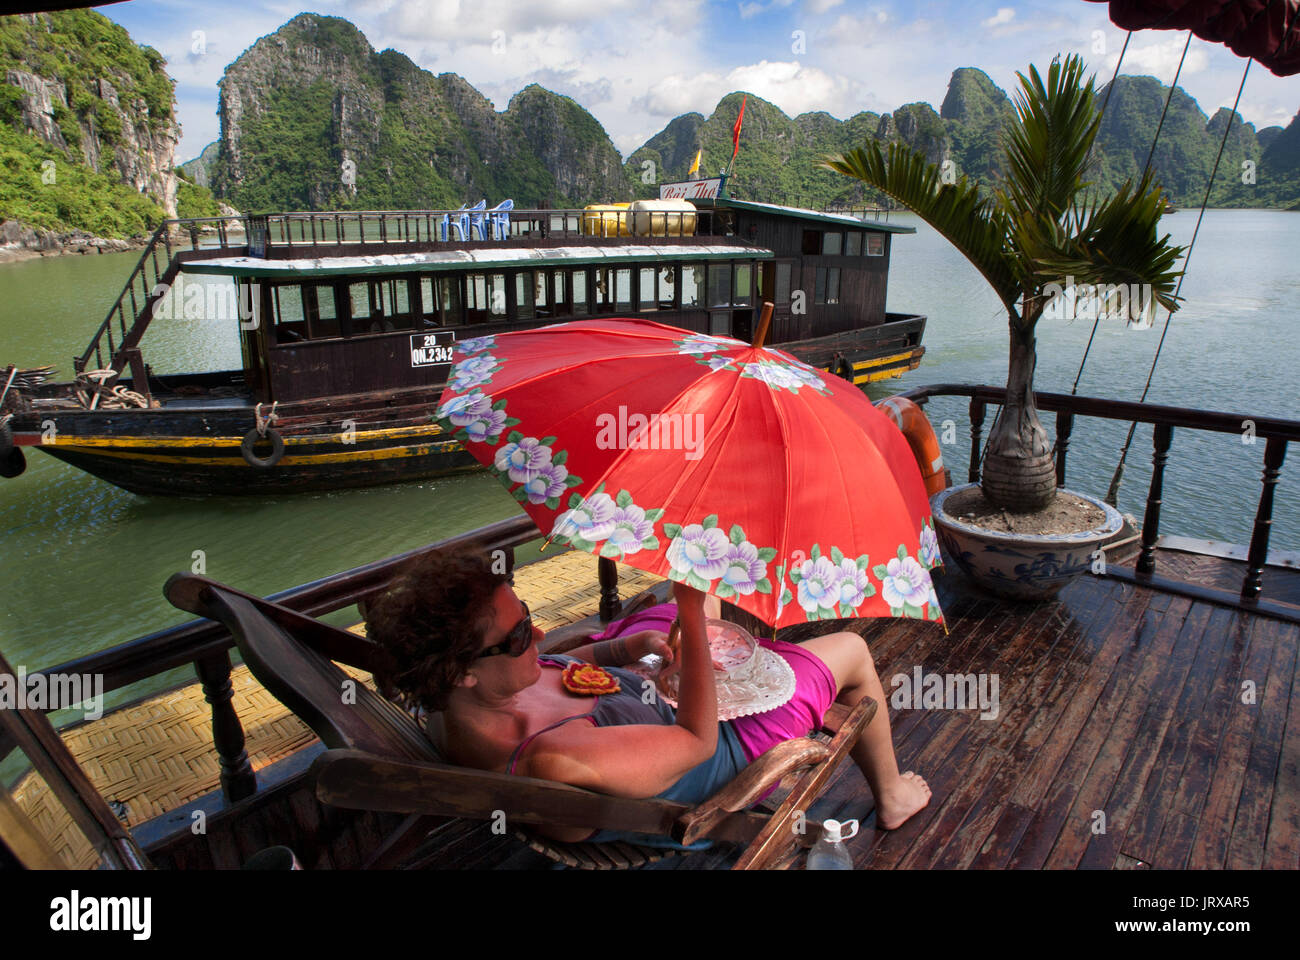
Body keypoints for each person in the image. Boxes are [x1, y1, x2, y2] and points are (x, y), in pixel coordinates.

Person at [364, 547, 931, 842]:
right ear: (462, 670)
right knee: (852, 647)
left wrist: (623, 649)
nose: (538, 636)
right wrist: (689, 612)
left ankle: (705, 626)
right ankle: (892, 797)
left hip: (635, 694)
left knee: (701, 610)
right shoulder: (556, 756)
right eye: (516, 636)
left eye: (529, 617)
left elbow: (563, 666)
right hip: (704, 752)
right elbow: (697, 740)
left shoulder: (452, 702)